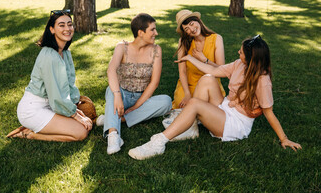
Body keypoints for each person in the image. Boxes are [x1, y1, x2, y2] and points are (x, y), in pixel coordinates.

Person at [128, 35, 302, 160]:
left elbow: (268, 112)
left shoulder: (262, 81)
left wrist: (284, 139)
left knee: (195, 104)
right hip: (225, 107)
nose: (238, 53)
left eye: (241, 53)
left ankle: (159, 142)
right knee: (208, 80)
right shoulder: (239, 64)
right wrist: (189, 58)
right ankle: (191, 127)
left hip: (236, 123)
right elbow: (212, 71)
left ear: (251, 60)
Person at [6, 10, 92, 141]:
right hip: (33, 110)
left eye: (70, 24)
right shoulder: (49, 56)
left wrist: (76, 106)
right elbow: (57, 96)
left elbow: (69, 84)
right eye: (61, 25)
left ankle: (40, 127)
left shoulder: (65, 52)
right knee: (81, 132)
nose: (67, 29)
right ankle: (30, 134)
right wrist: (76, 115)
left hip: (51, 106)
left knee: (87, 119)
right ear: (52, 30)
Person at [101, 13, 172, 155]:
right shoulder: (122, 47)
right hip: (121, 95)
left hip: (142, 98)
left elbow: (154, 83)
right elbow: (111, 71)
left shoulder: (156, 50)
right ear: (140, 32)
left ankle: (114, 118)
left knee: (166, 102)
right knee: (111, 89)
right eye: (152, 30)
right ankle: (113, 136)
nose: (156, 33)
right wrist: (117, 96)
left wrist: (135, 107)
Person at [172, 10, 225, 109]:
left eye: (192, 24)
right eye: (187, 29)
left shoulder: (216, 38)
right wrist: (187, 94)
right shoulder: (183, 42)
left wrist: (205, 60)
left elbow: (222, 70)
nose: (192, 29)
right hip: (189, 84)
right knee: (182, 103)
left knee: (206, 105)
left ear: (198, 21)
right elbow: (182, 71)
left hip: (210, 84)